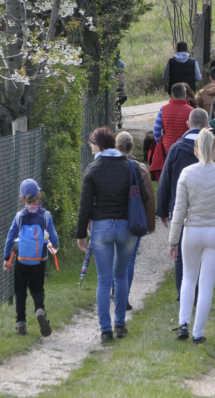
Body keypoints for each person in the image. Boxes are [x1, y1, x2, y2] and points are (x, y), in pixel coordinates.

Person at [77, 127, 150, 343]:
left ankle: (105, 329)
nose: (90, 148)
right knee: (120, 276)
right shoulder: (130, 166)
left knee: (104, 279)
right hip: (127, 227)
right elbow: (144, 195)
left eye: (91, 144)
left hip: (102, 228)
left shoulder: (93, 169)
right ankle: (120, 323)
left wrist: (81, 234)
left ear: (98, 145)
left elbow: (85, 206)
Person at [169, 128, 215, 344]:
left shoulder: (187, 173)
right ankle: (198, 333)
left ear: (196, 149)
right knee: (206, 282)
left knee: (188, 277)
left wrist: (173, 240)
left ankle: (183, 323)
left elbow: (179, 210)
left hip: (192, 231)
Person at [157, 108, 215, 297]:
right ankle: (201, 293)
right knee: (206, 258)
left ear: (187, 125)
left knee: (181, 256)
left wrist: (163, 210)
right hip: (212, 213)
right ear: (207, 125)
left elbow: (165, 180)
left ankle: (184, 294)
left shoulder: (176, 149)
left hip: (182, 212)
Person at [4, 179, 59, 337]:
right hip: (39, 260)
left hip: (22, 260)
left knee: (20, 290)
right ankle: (40, 310)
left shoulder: (19, 216)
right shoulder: (45, 215)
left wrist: (6, 259)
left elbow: (10, 238)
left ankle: (20, 324)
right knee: (37, 289)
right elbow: (54, 236)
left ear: (21, 199)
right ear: (39, 196)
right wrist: (55, 245)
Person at [115, 131, 157, 311]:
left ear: (116, 148)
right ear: (132, 147)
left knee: (113, 257)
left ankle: (114, 291)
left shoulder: (110, 166)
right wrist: (150, 223)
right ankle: (123, 297)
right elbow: (148, 198)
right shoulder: (140, 169)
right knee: (129, 259)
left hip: (114, 217)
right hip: (134, 219)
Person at [150, 83, 194, 179]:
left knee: (169, 175)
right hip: (186, 148)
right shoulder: (191, 111)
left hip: (167, 148)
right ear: (184, 94)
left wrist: (160, 143)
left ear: (172, 95)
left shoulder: (163, 109)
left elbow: (156, 131)